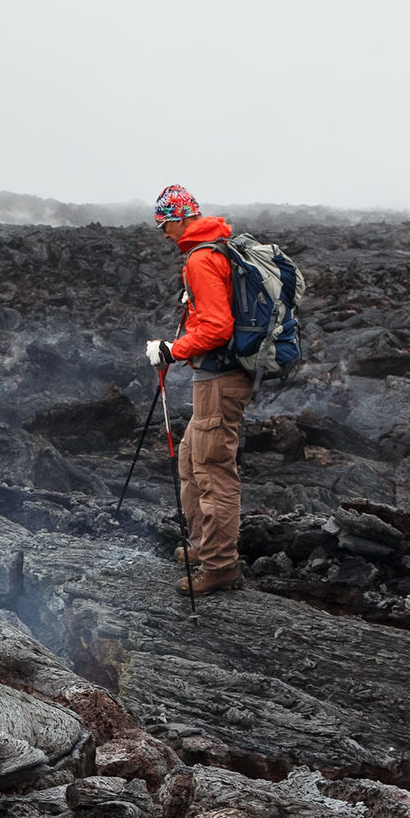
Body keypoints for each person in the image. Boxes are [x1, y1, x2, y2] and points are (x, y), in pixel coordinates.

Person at [144, 184, 249, 595]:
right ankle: (205, 545)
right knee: (191, 458)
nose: (164, 234)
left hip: (220, 378)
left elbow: (217, 327)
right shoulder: (216, 247)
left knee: (212, 470)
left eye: (164, 225)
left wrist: (172, 350)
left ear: (180, 218)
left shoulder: (203, 259)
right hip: (222, 374)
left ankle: (220, 565)